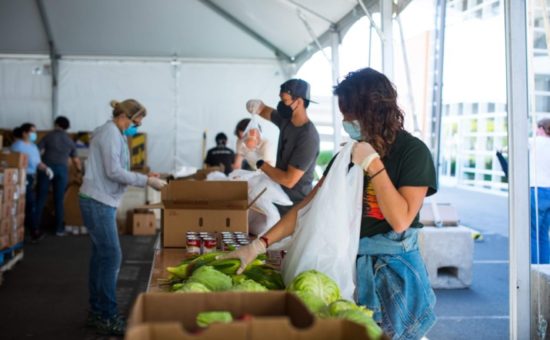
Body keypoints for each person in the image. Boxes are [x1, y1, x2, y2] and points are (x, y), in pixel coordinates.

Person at [224, 68, 437, 339]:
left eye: (350, 115)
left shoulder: (412, 152)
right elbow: (306, 207)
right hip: (348, 266)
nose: (346, 121)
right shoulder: (347, 154)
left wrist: (374, 166)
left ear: (374, 111)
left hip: (393, 275)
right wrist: (259, 245)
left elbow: (401, 219)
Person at [79, 99, 167, 336]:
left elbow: (116, 168)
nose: (136, 128)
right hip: (98, 201)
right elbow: (113, 172)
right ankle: (107, 316)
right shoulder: (110, 134)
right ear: (125, 117)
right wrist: (147, 181)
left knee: (102, 257)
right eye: (136, 123)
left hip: (99, 200)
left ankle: (98, 311)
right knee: (111, 256)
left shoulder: (113, 133)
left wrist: (145, 175)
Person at [246, 79, 320, 216]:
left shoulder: (308, 137)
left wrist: (260, 163)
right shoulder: (286, 120)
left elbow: (289, 180)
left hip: (293, 204)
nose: (281, 105)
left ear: (299, 102)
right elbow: (264, 110)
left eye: (285, 101)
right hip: (277, 194)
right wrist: (255, 105)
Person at [35, 116, 82, 236]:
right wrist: (79, 171)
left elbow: (37, 151)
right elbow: (76, 160)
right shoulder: (69, 140)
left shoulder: (48, 136)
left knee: (41, 198)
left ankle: (35, 228)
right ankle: (59, 229)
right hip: (62, 170)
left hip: (46, 168)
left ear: (56, 124)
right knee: (59, 200)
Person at [11, 123, 54, 243]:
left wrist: (46, 168)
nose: (34, 134)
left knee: (30, 204)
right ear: (24, 133)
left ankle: (29, 231)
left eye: (35, 131)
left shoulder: (33, 147)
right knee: (29, 204)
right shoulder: (17, 146)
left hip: (30, 177)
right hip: (21, 178)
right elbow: (13, 163)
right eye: (32, 131)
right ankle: (33, 231)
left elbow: (37, 163)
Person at [530, 118, 550, 264]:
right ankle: (545, 269)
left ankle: (534, 269)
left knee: (533, 233)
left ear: (542, 128)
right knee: (544, 234)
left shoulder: (534, 142)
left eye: (537, 128)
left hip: (537, 190)